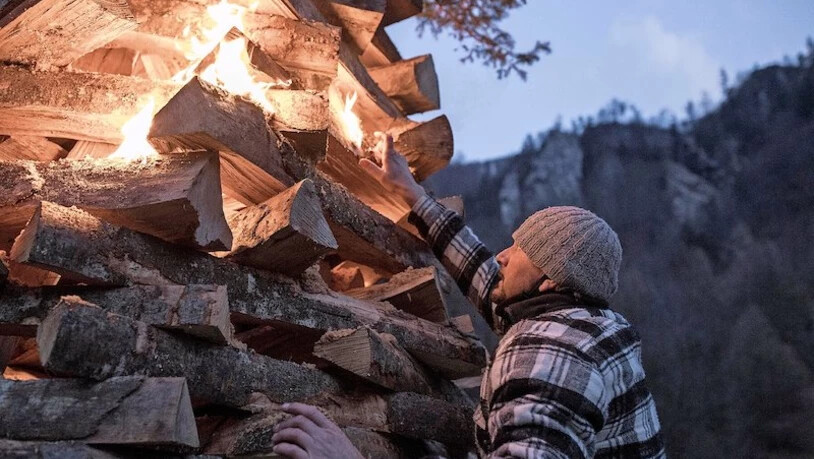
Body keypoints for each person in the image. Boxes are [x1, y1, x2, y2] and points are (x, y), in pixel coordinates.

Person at [271, 133, 665, 458]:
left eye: (521, 250)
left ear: (550, 281)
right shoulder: (580, 323)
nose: (502, 256)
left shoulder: (550, 351)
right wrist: (413, 195)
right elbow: (487, 277)